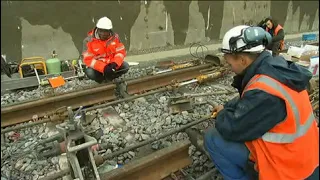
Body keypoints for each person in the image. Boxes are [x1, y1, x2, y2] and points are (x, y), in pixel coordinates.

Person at [203, 25, 319, 180]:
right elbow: (250, 99)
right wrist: (229, 106)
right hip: (306, 157)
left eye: (229, 62)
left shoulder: (264, 93)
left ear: (243, 59)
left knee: (212, 137)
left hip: (290, 171)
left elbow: (233, 128)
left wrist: (222, 114)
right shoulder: (276, 68)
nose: (228, 66)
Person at [82, 17, 129, 83]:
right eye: (101, 30)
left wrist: (115, 63)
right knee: (90, 72)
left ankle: (112, 78)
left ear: (109, 30)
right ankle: (102, 80)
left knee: (125, 66)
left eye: (106, 31)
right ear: (97, 29)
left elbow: (120, 53)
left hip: (111, 65)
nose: (103, 33)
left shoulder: (115, 38)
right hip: (98, 68)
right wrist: (104, 68)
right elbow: (88, 60)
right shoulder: (88, 41)